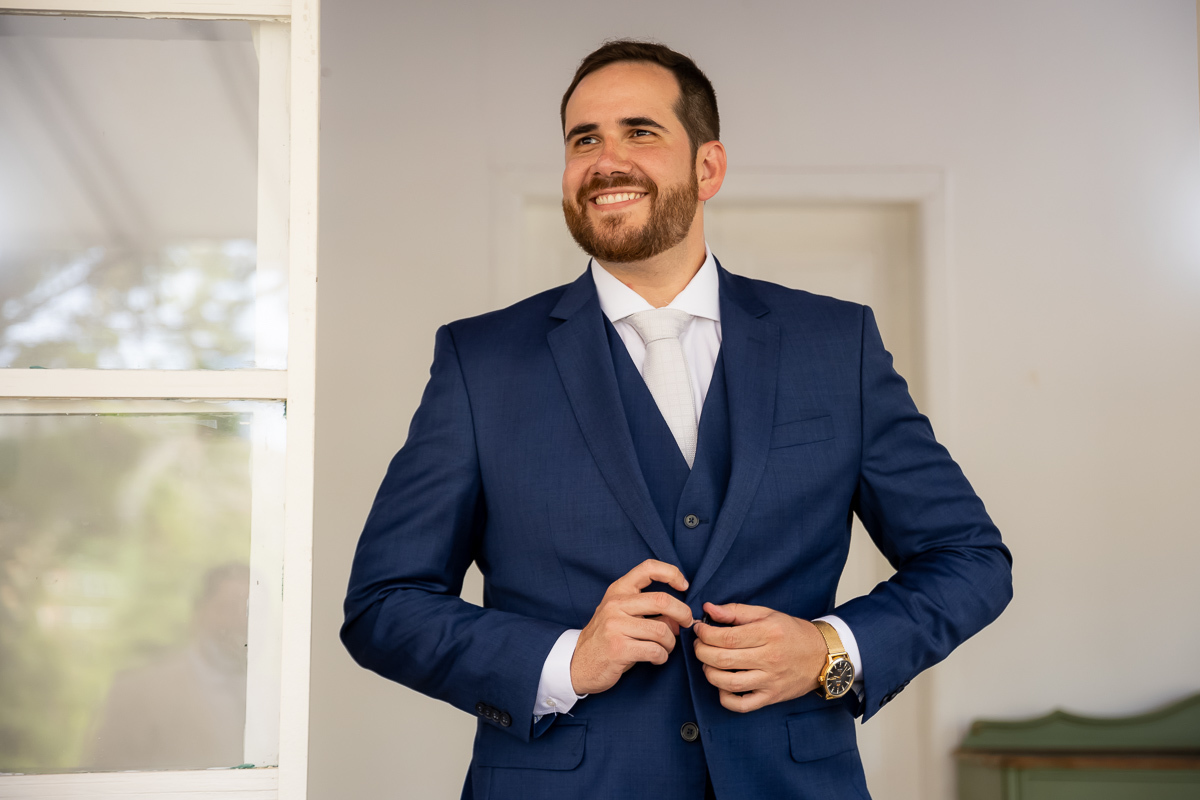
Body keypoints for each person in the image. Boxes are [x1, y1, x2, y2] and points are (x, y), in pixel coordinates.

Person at [342, 39, 1012, 800]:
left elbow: (969, 558)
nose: (606, 161)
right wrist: (565, 661)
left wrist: (829, 650)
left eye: (640, 132)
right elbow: (384, 604)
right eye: (583, 140)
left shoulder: (835, 345)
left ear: (708, 167)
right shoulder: (481, 362)